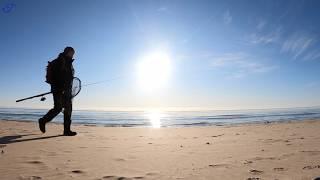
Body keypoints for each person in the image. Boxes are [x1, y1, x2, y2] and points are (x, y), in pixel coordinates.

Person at [39, 47, 77, 136]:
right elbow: (57, 77)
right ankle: (43, 120)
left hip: (67, 90)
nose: (73, 55)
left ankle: (67, 130)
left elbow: (68, 77)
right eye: (72, 53)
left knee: (68, 109)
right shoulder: (59, 61)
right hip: (59, 90)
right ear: (68, 52)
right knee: (58, 108)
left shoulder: (68, 62)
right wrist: (60, 87)